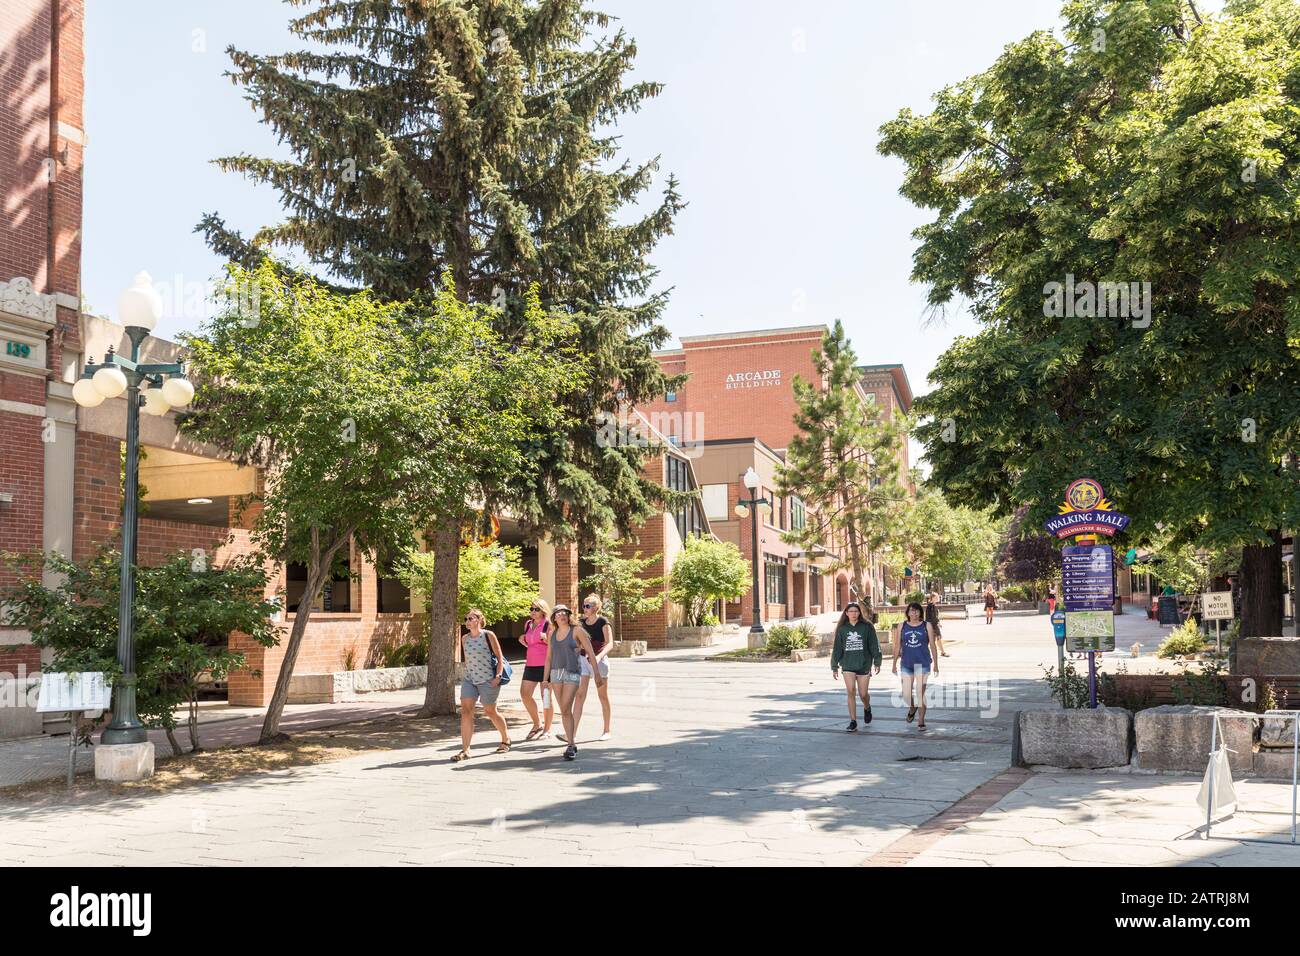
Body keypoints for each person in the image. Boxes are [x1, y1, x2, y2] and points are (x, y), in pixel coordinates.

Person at [543, 604, 602, 761]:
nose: (562, 615)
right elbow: (548, 658)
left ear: (568, 616)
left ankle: (570, 744)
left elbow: (590, 652)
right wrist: (544, 679)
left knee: (566, 707)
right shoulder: (552, 634)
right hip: (556, 673)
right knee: (564, 711)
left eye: (565, 613)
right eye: (558, 614)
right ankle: (572, 744)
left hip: (572, 672)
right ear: (554, 618)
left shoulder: (577, 630)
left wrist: (596, 673)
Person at [451, 608, 511, 762]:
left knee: (490, 711)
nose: (467, 621)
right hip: (470, 679)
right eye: (466, 619)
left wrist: (498, 676)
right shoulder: (465, 638)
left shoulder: (488, 635)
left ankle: (505, 739)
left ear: (478, 620)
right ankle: (465, 749)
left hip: (488, 679)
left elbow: (499, 657)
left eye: (470, 618)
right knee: (466, 711)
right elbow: (467, 659)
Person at [569, 594, 615, 742]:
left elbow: (610, 643)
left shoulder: (603, 622)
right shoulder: (581, 622)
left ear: (596, 608)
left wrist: (599, 656)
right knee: (579, 695)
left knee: (602, 696)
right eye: (584, 605)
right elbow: (576, 640)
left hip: (599, 661)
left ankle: (607, 731)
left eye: (588, 606)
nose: (585, 608)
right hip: (583, 660)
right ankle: (572, 733)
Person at [831, 601, 881, 732]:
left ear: (859, 613)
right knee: (851, 691)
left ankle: (867, 707)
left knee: (863, 694)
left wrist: (877, 661)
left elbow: (874, 644)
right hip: (847, 664)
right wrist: (834, 666)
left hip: (863, 664)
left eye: (856, 611)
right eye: (851, 611)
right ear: (846, 613)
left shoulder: (867, 627)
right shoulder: (842, 629)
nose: (854, 614)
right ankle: (853, 721)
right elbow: (837, 648)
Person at [892, 601, 939, 731]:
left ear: (920, 612)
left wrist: (936, 664)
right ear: (907, 612)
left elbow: (933, 646)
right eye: (912, 610)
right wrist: (894, 664)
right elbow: (897, 645)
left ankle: (921, 721)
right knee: (906, 693)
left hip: (922, 663)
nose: (914, 613)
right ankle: (912, 707)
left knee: (920, 692)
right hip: (907, 663)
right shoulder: (902, 626)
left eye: (917, 610)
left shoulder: (926, 625)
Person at [518, 599, 554, 741]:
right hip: (530, 664)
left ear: (543, 610)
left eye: (536, 609)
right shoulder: (528, 624)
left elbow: (554, 645)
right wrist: (522, 640)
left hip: (546, 665)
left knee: (546, 698)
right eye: (531, 609)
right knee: (524, 694)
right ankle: (537, 724)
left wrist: (546, 640)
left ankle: (547, 729)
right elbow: (530, 643)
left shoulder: (548, 624)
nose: (533, 611)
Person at [925, 591, 950, 657]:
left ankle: (942, 652)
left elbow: (933, 616)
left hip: (932, 625)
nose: (938, 598)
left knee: (936, 639)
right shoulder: (931, 606)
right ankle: (942, 652)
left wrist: (937, 622)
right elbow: (932, 617)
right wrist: (937, 623)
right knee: (933, 640)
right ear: (933, 598)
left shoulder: (932, 606)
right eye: (936, 597)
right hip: (932, 625)